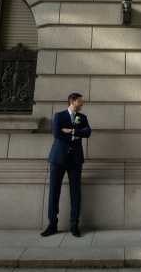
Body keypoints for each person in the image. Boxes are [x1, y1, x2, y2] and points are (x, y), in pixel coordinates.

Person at [41, 92, 91, 237]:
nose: (82, 104)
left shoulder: (83, 118)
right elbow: (56, 132)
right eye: (80, 101)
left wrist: (71, 131)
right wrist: (75, 135)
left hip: (75, 159)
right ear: (72, 101)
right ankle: (52, 224)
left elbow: (87, 132)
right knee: (54, 192)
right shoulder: (59, 116)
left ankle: (74, 224)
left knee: (76, 192)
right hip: (58, 159)